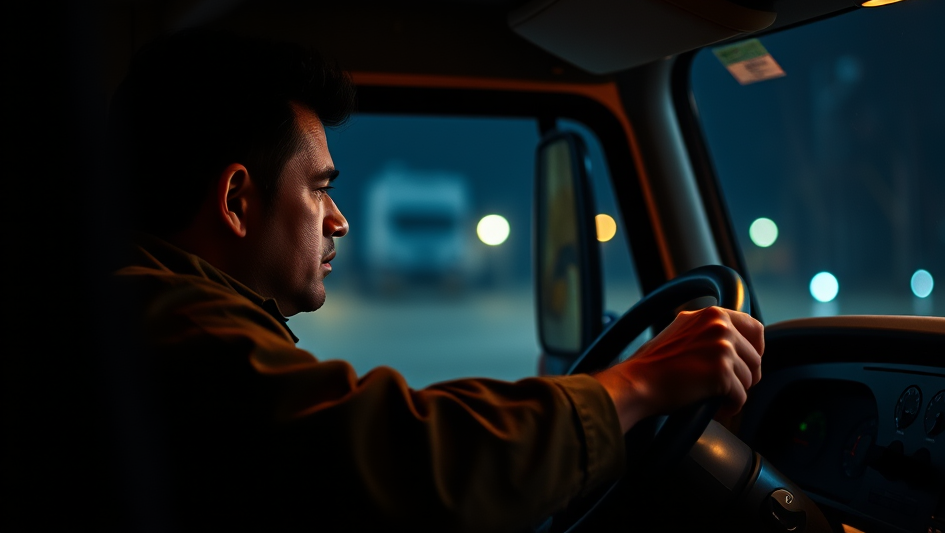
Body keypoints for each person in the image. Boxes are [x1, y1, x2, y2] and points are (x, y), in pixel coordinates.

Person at [106, 28, 764, 532]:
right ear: (236, 201)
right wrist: (640, 383)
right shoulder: (178, 328)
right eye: (319, 189)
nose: (338, 222)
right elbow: (407, 456)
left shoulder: (164, 308)